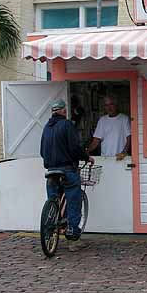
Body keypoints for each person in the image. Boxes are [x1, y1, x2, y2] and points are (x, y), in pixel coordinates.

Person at [40, 99, 93, 248]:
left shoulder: (46, 128)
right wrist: (86, 157)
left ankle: (51, 223)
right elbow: (75, 148)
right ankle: (72, 237)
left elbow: (42, 151)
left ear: (52, 112)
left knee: (53, 200)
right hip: (67, 170)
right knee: (73, 202)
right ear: (63, 111)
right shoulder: (67, 125)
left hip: (51, 172)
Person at [87, 96, 131, 161]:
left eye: (111, 104)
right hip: (105, 158)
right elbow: (96, 140)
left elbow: (129, 138)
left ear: (116, 105)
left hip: (121, 158)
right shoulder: (102, 120)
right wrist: (87, 151)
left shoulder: (124, 119)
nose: (109, 108)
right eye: (106, 105)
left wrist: (124, 152)